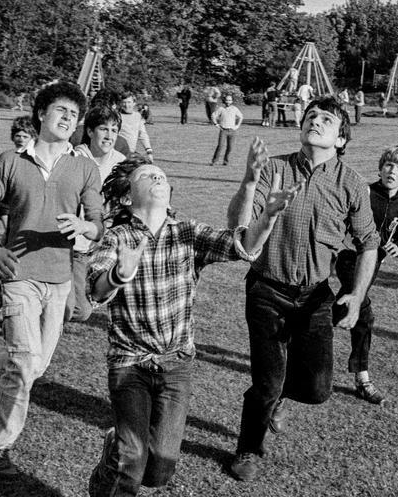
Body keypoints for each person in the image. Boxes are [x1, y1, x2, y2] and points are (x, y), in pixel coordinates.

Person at [85, 155, 295, 497]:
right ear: (127, 197)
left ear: (170, 192)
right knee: (132, 461)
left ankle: (116, 446)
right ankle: (116, 461)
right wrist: (120, 273)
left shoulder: (188, 232)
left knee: (159, 470)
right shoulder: (117, 237)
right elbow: (95, 289)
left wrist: (268, 219)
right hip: (129, 364)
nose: (157, 178)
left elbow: (241, 246)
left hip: (176, 364)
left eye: (161, 176)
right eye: (147, 175)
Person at [224, 97, 379, 482]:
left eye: (327, 119)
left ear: (341, 139)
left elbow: (369, 243)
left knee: (316, 389)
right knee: (267, 380)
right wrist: (248, 180)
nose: (316, 121)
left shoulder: (353, 184)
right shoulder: (274, 168)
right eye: (311, 116)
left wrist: (357, 295)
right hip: (267, 289)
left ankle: (279, 399)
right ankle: (248, 448)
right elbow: (239, 228)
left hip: (315, 295)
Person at [0, 81, 104, 476]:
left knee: (35, 366)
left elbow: (98, 223)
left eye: (75, 115)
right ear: (42, 113)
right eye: (61, 110)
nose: (68, 119)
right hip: (18, 275)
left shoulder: (84, 167)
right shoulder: (10, 161)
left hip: (60, 279)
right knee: (26, 361)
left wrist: (84, 225)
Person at [335, 145, 398, 406]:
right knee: (363, 312)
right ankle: (363, 378)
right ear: (381, 168)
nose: (392, 171)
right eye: (388, 165)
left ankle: (302, 337)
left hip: (375, 263)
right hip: (350, 257)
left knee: (335, 309)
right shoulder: (366, 192)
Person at [72, 104, 126, 322]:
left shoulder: (121, 163)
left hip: (103, 247)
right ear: (90, 131)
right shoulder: (74, 159)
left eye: (114, 130)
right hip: (74, 246)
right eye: (104, 129)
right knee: (79, 311)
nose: (109, 136)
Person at [114, 91, 154, 163]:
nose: (126, 105)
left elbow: (143, 135)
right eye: (124, 102)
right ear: (120, 103)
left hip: (131, 153)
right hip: (118, 154)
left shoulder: (138, 116)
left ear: (134, 103)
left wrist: (149, 152)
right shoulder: (116, 117)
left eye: (129, 102)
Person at [211, 92, 244, 166]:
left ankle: (226, 161)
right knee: (220, 146)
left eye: (230, 100)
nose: (228, 102)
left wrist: (237, 126)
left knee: (230, 147)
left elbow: (241, 117)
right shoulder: (221, 109)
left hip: (232, 131)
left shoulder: (235, 109)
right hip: (223, 130)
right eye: (227, 100)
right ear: (224, 101)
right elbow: (213, 115)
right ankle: (214, 161)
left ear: (232, 101)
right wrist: (216, 124)